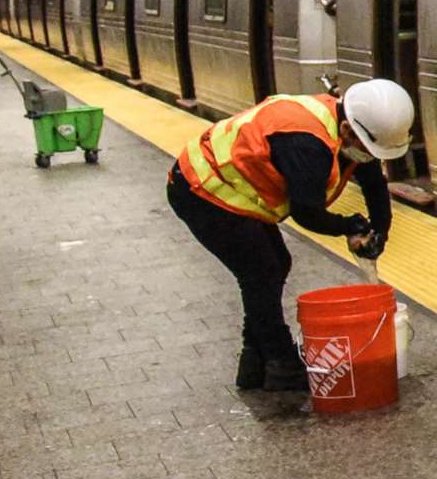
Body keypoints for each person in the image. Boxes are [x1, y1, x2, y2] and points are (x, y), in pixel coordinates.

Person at [165, 80, 414, 392]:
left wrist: (379, 231)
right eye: (367, 149)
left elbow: (373, 182)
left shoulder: (348, 131)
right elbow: (307, 213)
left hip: (228, 189)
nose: (368, 156)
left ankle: (256, 361)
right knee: (263, 271)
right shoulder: (307, 146)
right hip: (202, 189)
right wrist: (350, 225)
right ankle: (280, 363)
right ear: (349, 130)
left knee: (274, 264)